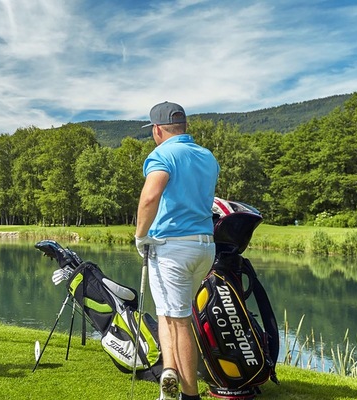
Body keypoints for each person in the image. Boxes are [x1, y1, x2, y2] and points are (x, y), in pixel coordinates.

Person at [134, 102, 219, 400]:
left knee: (179, 320)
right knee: (169, 314)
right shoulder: (207, 156)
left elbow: (150, 197)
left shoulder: (162, 154)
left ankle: (189, 395)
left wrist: (140, 236)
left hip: (173, 249)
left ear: (157, 129)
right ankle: (168, 375)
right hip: (205, 248)